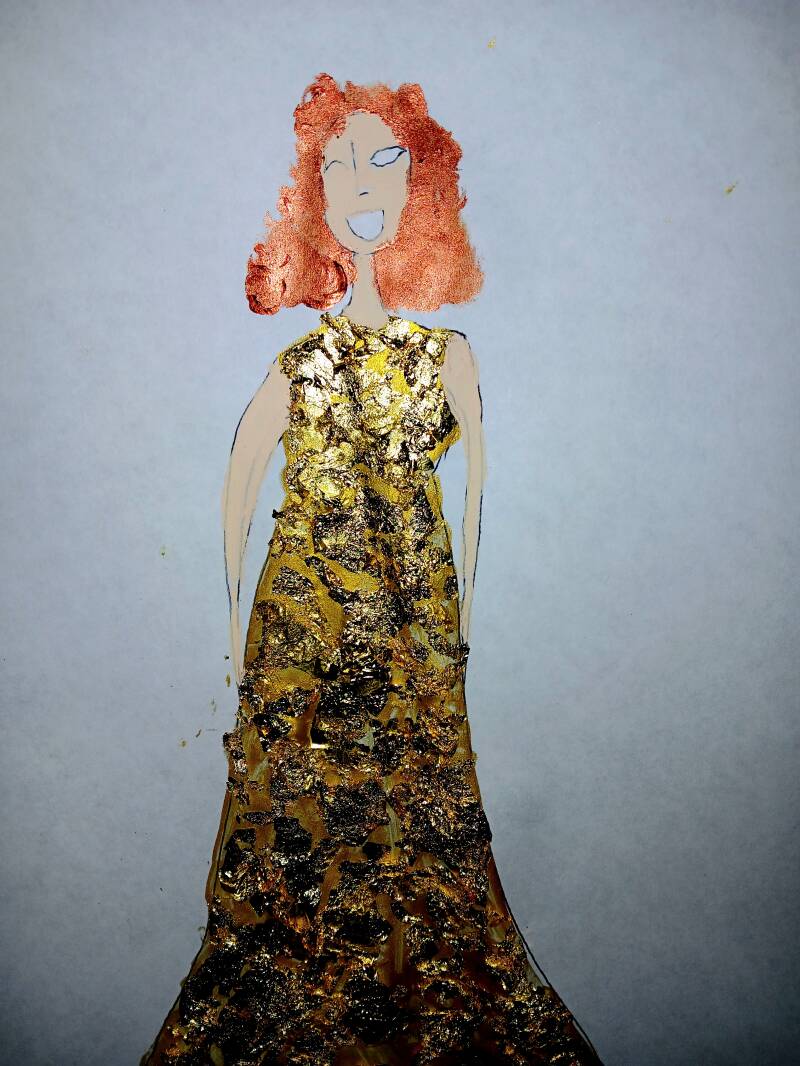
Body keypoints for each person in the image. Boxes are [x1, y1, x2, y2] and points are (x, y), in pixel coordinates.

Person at [141, 72, 604, 1066]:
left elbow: (473, 517)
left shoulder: (450, 360)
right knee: (290, 848)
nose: (361, 181)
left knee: (420, 848)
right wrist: (238, 653)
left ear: (420, 189)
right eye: (340, 163)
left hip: (414, 643)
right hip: (300, 639)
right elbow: (236, 500)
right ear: (314, 193)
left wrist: (452, 644)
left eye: (385, 160)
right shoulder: (297, 366)